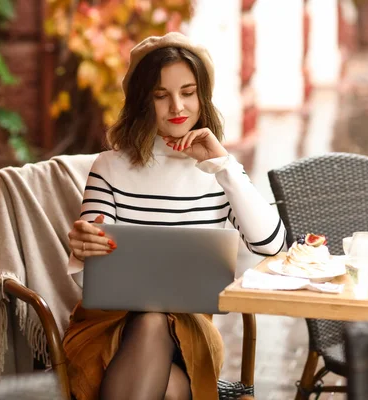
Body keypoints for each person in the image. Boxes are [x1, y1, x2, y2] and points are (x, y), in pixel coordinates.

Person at [63, 32, 286, 400]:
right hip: (110, 328)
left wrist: (224, 166)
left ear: (203, 96)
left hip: (192, 333)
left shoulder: (219, 172)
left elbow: (272, 246)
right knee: (168, 381)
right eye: (161, 95)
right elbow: (91, 284)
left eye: (188, 92)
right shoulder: (109, 167)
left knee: (157, 330)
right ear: (142, 102)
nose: (177, 107)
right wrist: (84, 249)